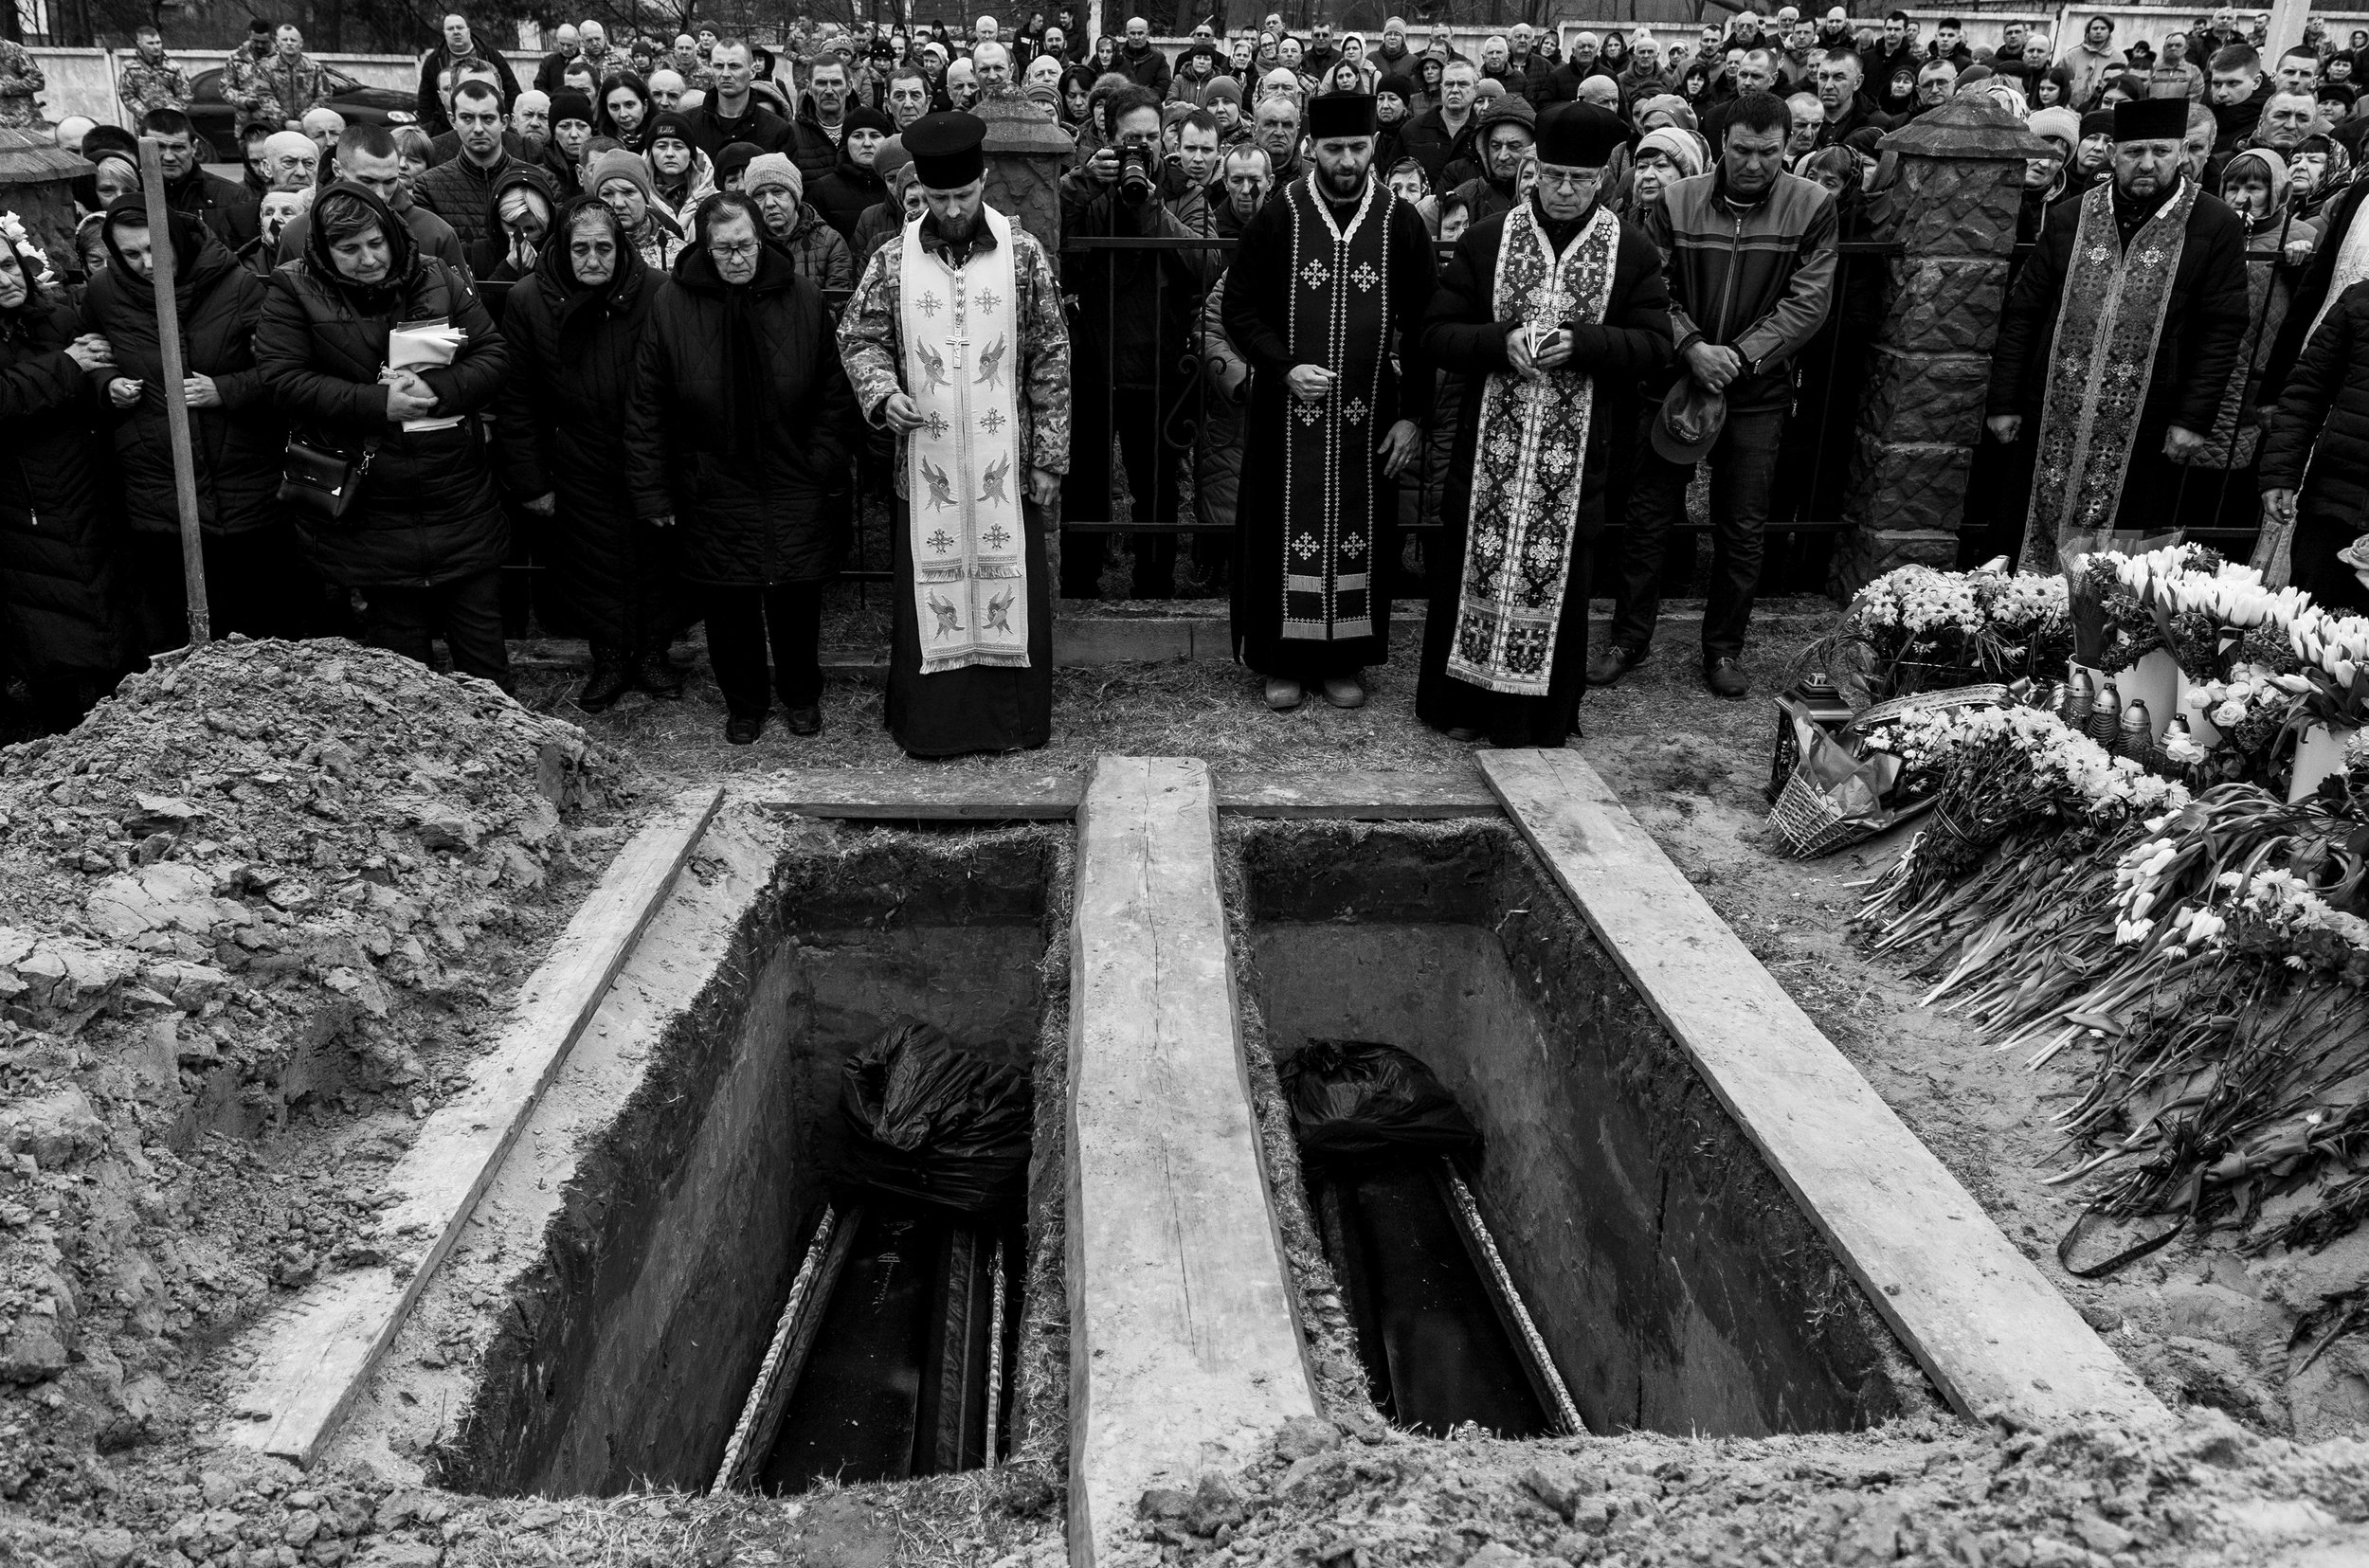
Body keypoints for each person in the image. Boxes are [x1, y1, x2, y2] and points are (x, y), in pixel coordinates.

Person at [1415, 104, 1670, 748]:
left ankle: (1531, 719)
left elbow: (1653, 346)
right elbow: (1435, 334)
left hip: (1576, 460)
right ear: (1531, 170)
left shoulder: (1631, 250)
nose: (1562, 191)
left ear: (1601, 182)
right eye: (1551, 175)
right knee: (1472, 568)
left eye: (1577, 180)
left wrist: (1583, 343)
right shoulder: (1486, 238)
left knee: (1557, 582)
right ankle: (1463, 702)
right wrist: (1503, 342)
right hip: (1488, 458)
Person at [837, 111, 1070, 757]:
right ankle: (932, 725)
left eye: (963, 195)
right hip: (927, 462)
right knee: (929, 592)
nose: (952, 208)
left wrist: (1049, 452)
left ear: (983, 181)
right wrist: (883, 392)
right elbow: (858, 337)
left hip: (1007, 460)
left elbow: (1051, 350)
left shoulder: (1023, 255)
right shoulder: (893, 260)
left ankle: (1013, 724)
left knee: (1009, 586)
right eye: (938, 197)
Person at [1594, 90, 1838, 699]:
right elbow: (1651, 284)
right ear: (1719, 143)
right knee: (1649, 516)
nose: (1753, 164)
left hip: (1757, 390)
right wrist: (1693, 347)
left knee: (1742, 526)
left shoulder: (1812, 205)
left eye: (1768, 152)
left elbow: (1809, 301)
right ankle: (1629, 637)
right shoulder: (1677, 199)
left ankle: (1724, 648)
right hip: (1674, 379)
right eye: (1741, 150)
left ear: (1788, 148)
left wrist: (1742, 355)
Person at [1222, 92, 1436, 712]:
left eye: (1358, 147)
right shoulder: (1280, 215)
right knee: (1278, 527)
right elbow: (1239, 308)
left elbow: (1425, 326)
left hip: (1369, 416)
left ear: (1375, 146)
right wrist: (1284, 367)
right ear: (1314, 147)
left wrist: (1412, 415)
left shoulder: (1400, 222)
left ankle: (1345, 658)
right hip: (1286, 416)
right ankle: (1280, 658)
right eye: (1335, 147)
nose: (1346, 159)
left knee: (1360, 535)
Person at [252, 182, 512, 685]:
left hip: (455, 488)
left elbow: (493, 356)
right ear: (324, 250)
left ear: (392, 233)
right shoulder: (292, 288)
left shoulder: (436, 275)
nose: (367, 259)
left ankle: (508, 750)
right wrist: (378, 403)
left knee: (483, 651)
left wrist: (435, 387)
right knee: (402, 661)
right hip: (369, 499)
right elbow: (281, 380)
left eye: (375, 243)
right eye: (348, 249)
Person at [1986, 96, 2250, 572]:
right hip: (2053, 412)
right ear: (2113, 154)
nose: (2147, 164)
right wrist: (2005, 400)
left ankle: (2102, 641)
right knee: (2027, 537)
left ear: (2182, 152)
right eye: (2134, 152)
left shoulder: (2215, 224)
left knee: (2126, 559)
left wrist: (2193, 419)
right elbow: (2024, 313)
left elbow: (2221, 330)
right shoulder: (2070, 217)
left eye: (2161, 152)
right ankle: (2026, 633)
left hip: (2150, 420)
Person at [622, 188, 844, 737]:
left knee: (796, 596)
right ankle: (744, 704)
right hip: (711, 477)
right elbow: (648, 403)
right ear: (705, 247)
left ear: (761, 239)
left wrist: (820, 462)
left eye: (745, 244)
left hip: (791, 471)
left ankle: (800, 695)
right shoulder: (673, 303)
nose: (736, 258)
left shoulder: (803, 296)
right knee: (728, 604)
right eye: (723, 249)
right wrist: (655, 490)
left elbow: (832, 394)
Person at [82, 197, 293, 650]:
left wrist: (226, 389)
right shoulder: (104, 293)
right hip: (159, 489)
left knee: (259, 625)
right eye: (131, 254)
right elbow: (91, 355)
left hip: (242, 483)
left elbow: (283, 372)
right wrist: (108, 384)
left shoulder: (235, 284)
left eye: (155, 250)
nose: (146, 264)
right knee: (181, 627)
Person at [1058, 84, 1211, 601]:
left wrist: (1150, 209)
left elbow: (1205, 264)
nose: (1139, 149)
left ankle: (1155, 582)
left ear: (1164, 135)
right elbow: (1061, 260)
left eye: (1149, 137)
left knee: (1156, 484)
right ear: (1108, 135)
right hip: (1096, 359)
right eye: (1130, 138)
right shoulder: (1084, 186)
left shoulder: (1183, 189)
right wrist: (1082, 187)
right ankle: (1079, 580)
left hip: (1158, 359)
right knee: (1086, 479)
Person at [0, 215, 132, 725]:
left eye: (10, 265)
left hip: (85, 485)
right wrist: (68, 366)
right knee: (47, 627)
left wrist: (105, 384)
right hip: (20, 504)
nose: (6, 280)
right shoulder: (62, 343)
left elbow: (96, 367)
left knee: (107, 608)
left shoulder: (55, 319)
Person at [2259, 279, 2369, 608]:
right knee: (2311, 634)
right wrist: (2281, 473)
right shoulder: (2359, 302)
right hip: (2334, 509)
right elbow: (2306, 393)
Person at [277, 124, 468, 276]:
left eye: (390, 181)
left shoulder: (435, 233)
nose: (380, 194)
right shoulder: (297, 234)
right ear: (337, 169)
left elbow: (465, 312)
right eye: (367, 181)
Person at [416, 81, 533, 251]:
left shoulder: (539, 180)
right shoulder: (428, 187)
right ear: (452, 120)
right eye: (467, 118)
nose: (478, 128)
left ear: (504, 122)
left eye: (487, 118)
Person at [145, 108, 259, 250]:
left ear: (194, 147)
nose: (169, 157)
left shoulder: (234, 197)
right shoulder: (132, 194)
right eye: (159, 147)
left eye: (178, 147)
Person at [745, 153, 853, 289]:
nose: (769, 203)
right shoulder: (746, 243)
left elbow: (837, 301)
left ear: (795, 196)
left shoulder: (830, 242)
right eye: (759, 195)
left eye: (777, 192)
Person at [417, 12, 522, 137]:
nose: (456, 32)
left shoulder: (490, 55)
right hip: (446, 126)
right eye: (450, 29)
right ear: (444, 33)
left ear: (468, 31)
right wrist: (429, 129)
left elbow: (511, 88)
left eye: (460, 27)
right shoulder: (434, 61)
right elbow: (425, 100)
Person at [691, 38, 798, 156]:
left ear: (752, 72)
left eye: (734, 66)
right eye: (719, 66)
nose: (725, 74)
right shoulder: (690, 124)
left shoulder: (777, 131)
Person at [1402, 58, 1480, 184]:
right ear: (1441, 88)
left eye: (1462, 84)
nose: (1454, 90)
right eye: (1449, 84)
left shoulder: (1483, 133)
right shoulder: (1412, 130)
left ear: (1476, 89)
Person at [119, 25, 191, 119]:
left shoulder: (174, 67)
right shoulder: (130, 68)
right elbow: (127, 95)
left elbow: (185, 96)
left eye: (158, 42)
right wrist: (147, 115)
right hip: (144, 123)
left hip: (171, 123)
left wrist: (168, 114)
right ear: (140, 44)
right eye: (151, 43)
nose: (156, 47)